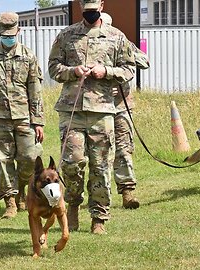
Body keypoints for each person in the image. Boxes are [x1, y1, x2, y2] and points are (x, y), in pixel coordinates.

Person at [48, 0, 136, 234]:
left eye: (93, 8)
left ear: (102, 6)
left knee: (101, 165)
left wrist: (106, 71)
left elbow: (129, 68)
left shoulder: (116, 36)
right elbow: (53, 67)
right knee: (72, 163)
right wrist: (72, 71)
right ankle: (73, 207)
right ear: (80, 7)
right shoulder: (66, 35)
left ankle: (99, 217)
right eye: (86, 9)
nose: (90, 12)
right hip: (72, 110)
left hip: (103, 110)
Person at [0, 12, 45, 219]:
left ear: (18, 31)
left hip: (24, 118)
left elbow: (35, 91)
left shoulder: (29, 56)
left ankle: (21, 187)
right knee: (3, 160)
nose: (8, 38)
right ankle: (11, 202)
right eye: (4, 34)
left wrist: (38, 121)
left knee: (30, 158)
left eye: (11, 34)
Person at [101, 12, 150, 209]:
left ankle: (128, 193)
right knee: (99, 152)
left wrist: (123, 65)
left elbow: (144, 61)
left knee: (123, 149)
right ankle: (99, 195)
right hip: (96, 107)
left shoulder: (123, 42)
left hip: (121, 106)